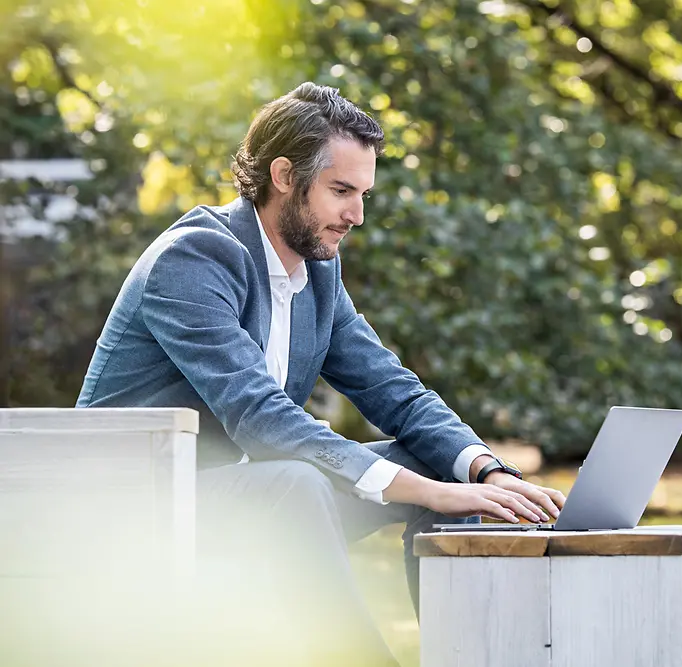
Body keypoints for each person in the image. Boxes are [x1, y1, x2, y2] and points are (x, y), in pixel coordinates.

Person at [77, 81, 565, 666]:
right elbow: (260, 417)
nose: (356, 215)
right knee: (297, 481)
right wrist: (434, 490)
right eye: (341, 191)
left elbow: (395, 391)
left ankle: (463, 655)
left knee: (432, 465)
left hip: (252, 497)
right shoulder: (194, 257)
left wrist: (486, 472)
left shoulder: (317, 276)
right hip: (136, 507)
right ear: (284, 176)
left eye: (363, 194)